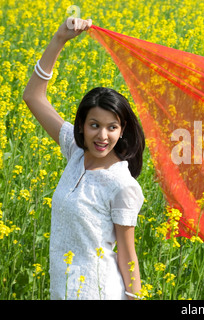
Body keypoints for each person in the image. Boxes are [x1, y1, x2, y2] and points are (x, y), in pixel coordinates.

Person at [22, 17, 146, 300]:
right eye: (94, 125)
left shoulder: (122, 184)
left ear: (122, 130)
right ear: (81, 126)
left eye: (112, 127)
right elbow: (33, 96)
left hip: (97, 293)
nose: (102, 136)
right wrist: (59, 39)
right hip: (62, 290)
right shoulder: (75, 152)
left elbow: (128, 255)